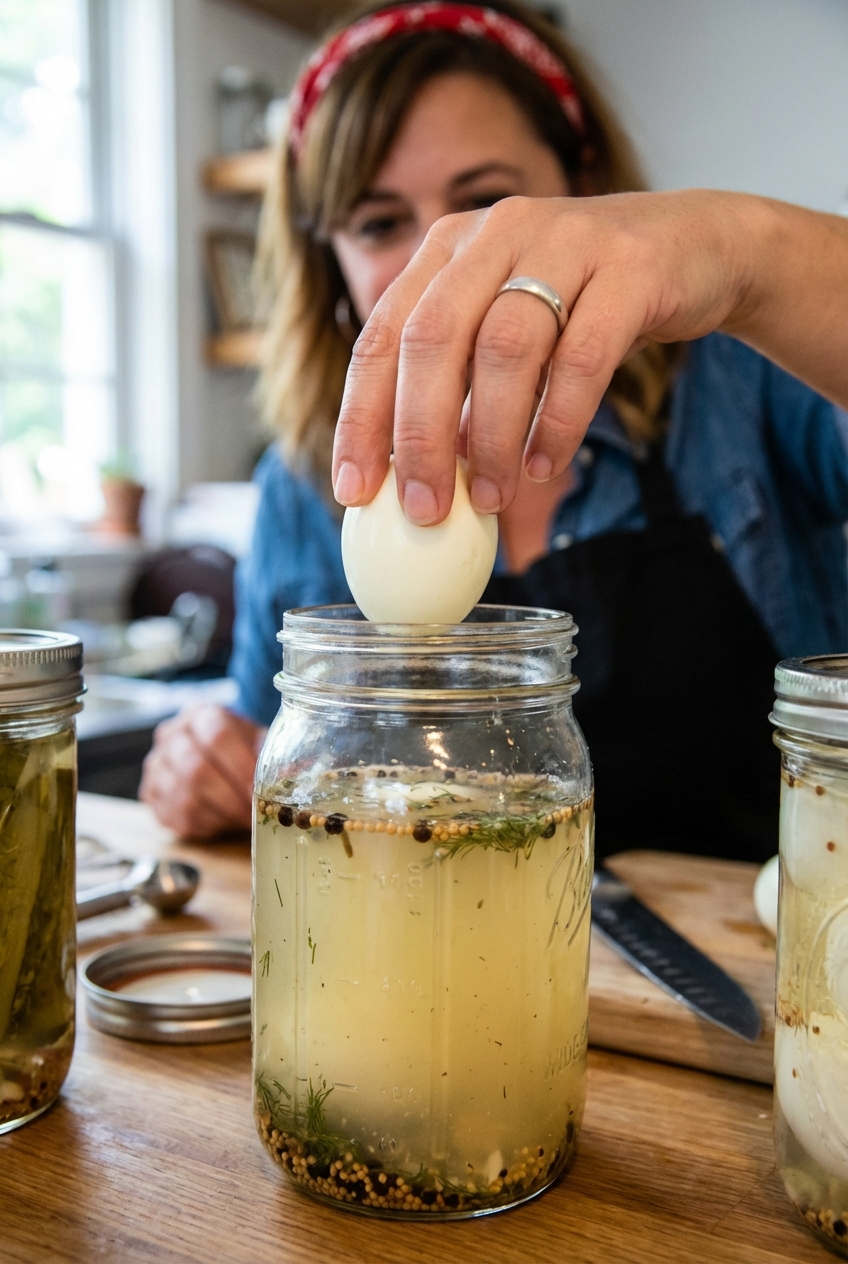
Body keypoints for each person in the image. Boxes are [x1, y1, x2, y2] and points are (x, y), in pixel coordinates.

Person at [140, 0, 848, 857]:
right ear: (326, 258)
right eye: (378, 222)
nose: (444, 254)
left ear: (584, 193)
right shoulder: (303, 484)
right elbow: (272, 758)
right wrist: (210, 767)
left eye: (486, 200)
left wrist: (748, 258)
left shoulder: (739, 387)